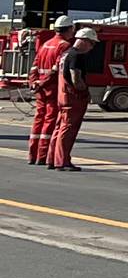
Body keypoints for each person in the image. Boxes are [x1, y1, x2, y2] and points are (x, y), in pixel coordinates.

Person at [47, 25, 101, 170]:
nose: (92, 47)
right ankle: (62, 161)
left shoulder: (66, 54)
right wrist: (85, 92)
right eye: (92, 43)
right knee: (68, 130)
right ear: (84, 40)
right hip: (73, 98)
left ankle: (52, 159)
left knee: (59, 128)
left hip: (62, 96)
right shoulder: (77, 56)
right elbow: (75, 78)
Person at [25, 17, 72, 166]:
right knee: (50, 121)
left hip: (40, 90)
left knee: (38, 120)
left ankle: (32, 155)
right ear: (68, 29)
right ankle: (43, 156)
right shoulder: (64, 46)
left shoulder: (45, 44)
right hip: (52, 89)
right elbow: (56, 69)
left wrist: (34, 83)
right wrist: (42, 83)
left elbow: (34, 67)